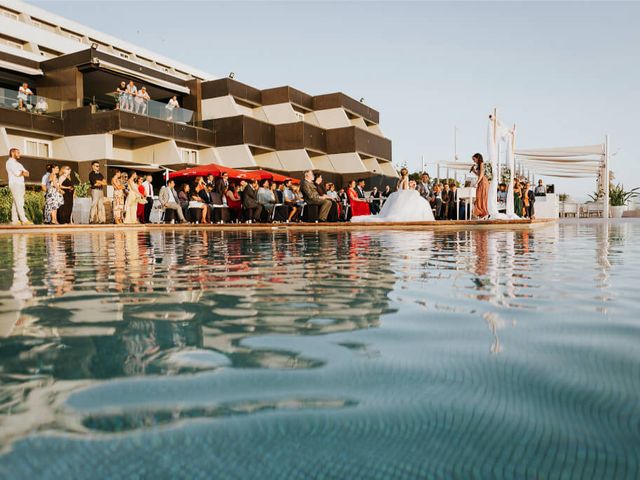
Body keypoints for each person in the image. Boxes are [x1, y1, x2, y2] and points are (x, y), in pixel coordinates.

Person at [351, 167, 435, 223]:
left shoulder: (399, 179)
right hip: (403, 196)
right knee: (421, 203)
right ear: (407, 174)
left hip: (398, 195)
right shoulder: (405, 179)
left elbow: (397, 189)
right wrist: (412, 188)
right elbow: (405, 190)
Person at [5, 148, 31, 224]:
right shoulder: (9, 162)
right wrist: (22, 172)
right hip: (15, 184)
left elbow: (27, 173)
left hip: (20, 184)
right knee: (19, 202)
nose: (20, 154)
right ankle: (24, 220)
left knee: (16, 202)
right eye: (18, 153)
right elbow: (18, 173)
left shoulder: (18, 164)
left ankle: (15, 220)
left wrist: (22, 172)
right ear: (12, 153)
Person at [471, 153, 488, 219]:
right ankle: (481, 213)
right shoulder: (479, 165)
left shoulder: (482, 164)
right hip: (481, 181)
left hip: (483, 181)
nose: (473, 161)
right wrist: (473, 170)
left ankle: (484, 212)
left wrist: (477, 182)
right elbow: (479, 174)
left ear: (477, 158)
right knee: (479, 197)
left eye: (474, 159)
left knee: (482, 197)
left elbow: (481, 175)